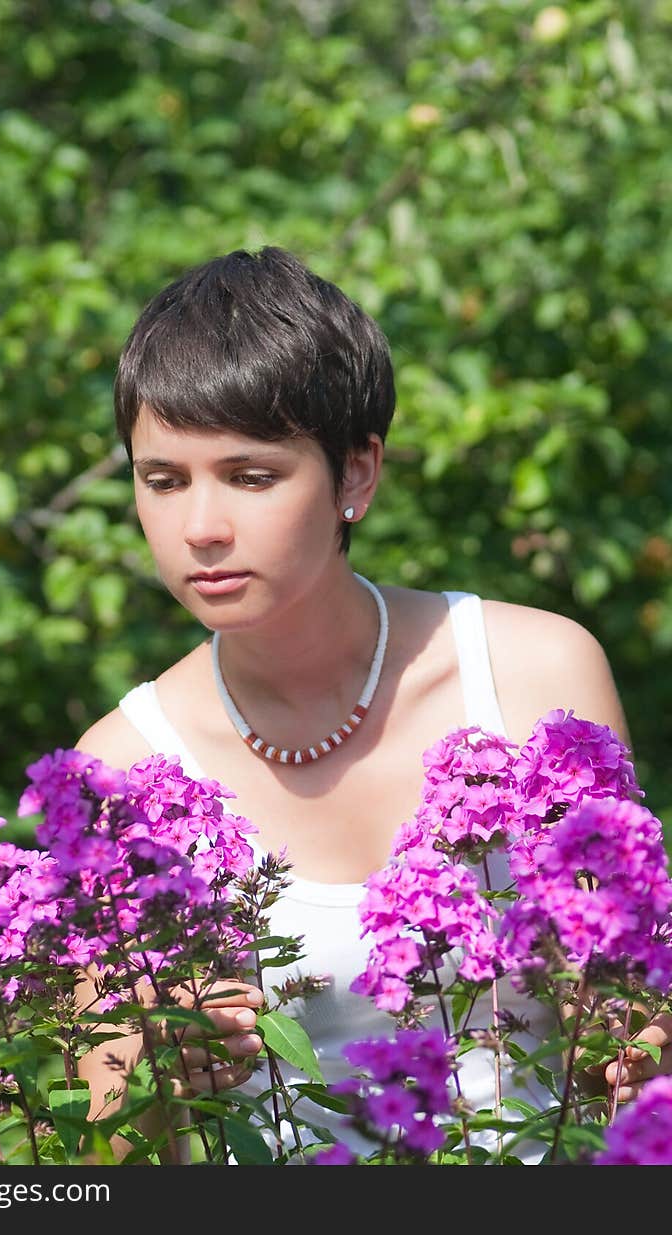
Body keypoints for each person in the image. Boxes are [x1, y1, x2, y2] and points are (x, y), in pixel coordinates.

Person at [73, 245, 670, 1162]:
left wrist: (639, 1053)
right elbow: (104, 1157)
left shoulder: (539, 675)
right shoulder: (118, 768)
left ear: (357, 474)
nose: (200, 527)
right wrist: (160, 1064)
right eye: (164, 480)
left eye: (252, 475)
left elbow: (628, 1023)